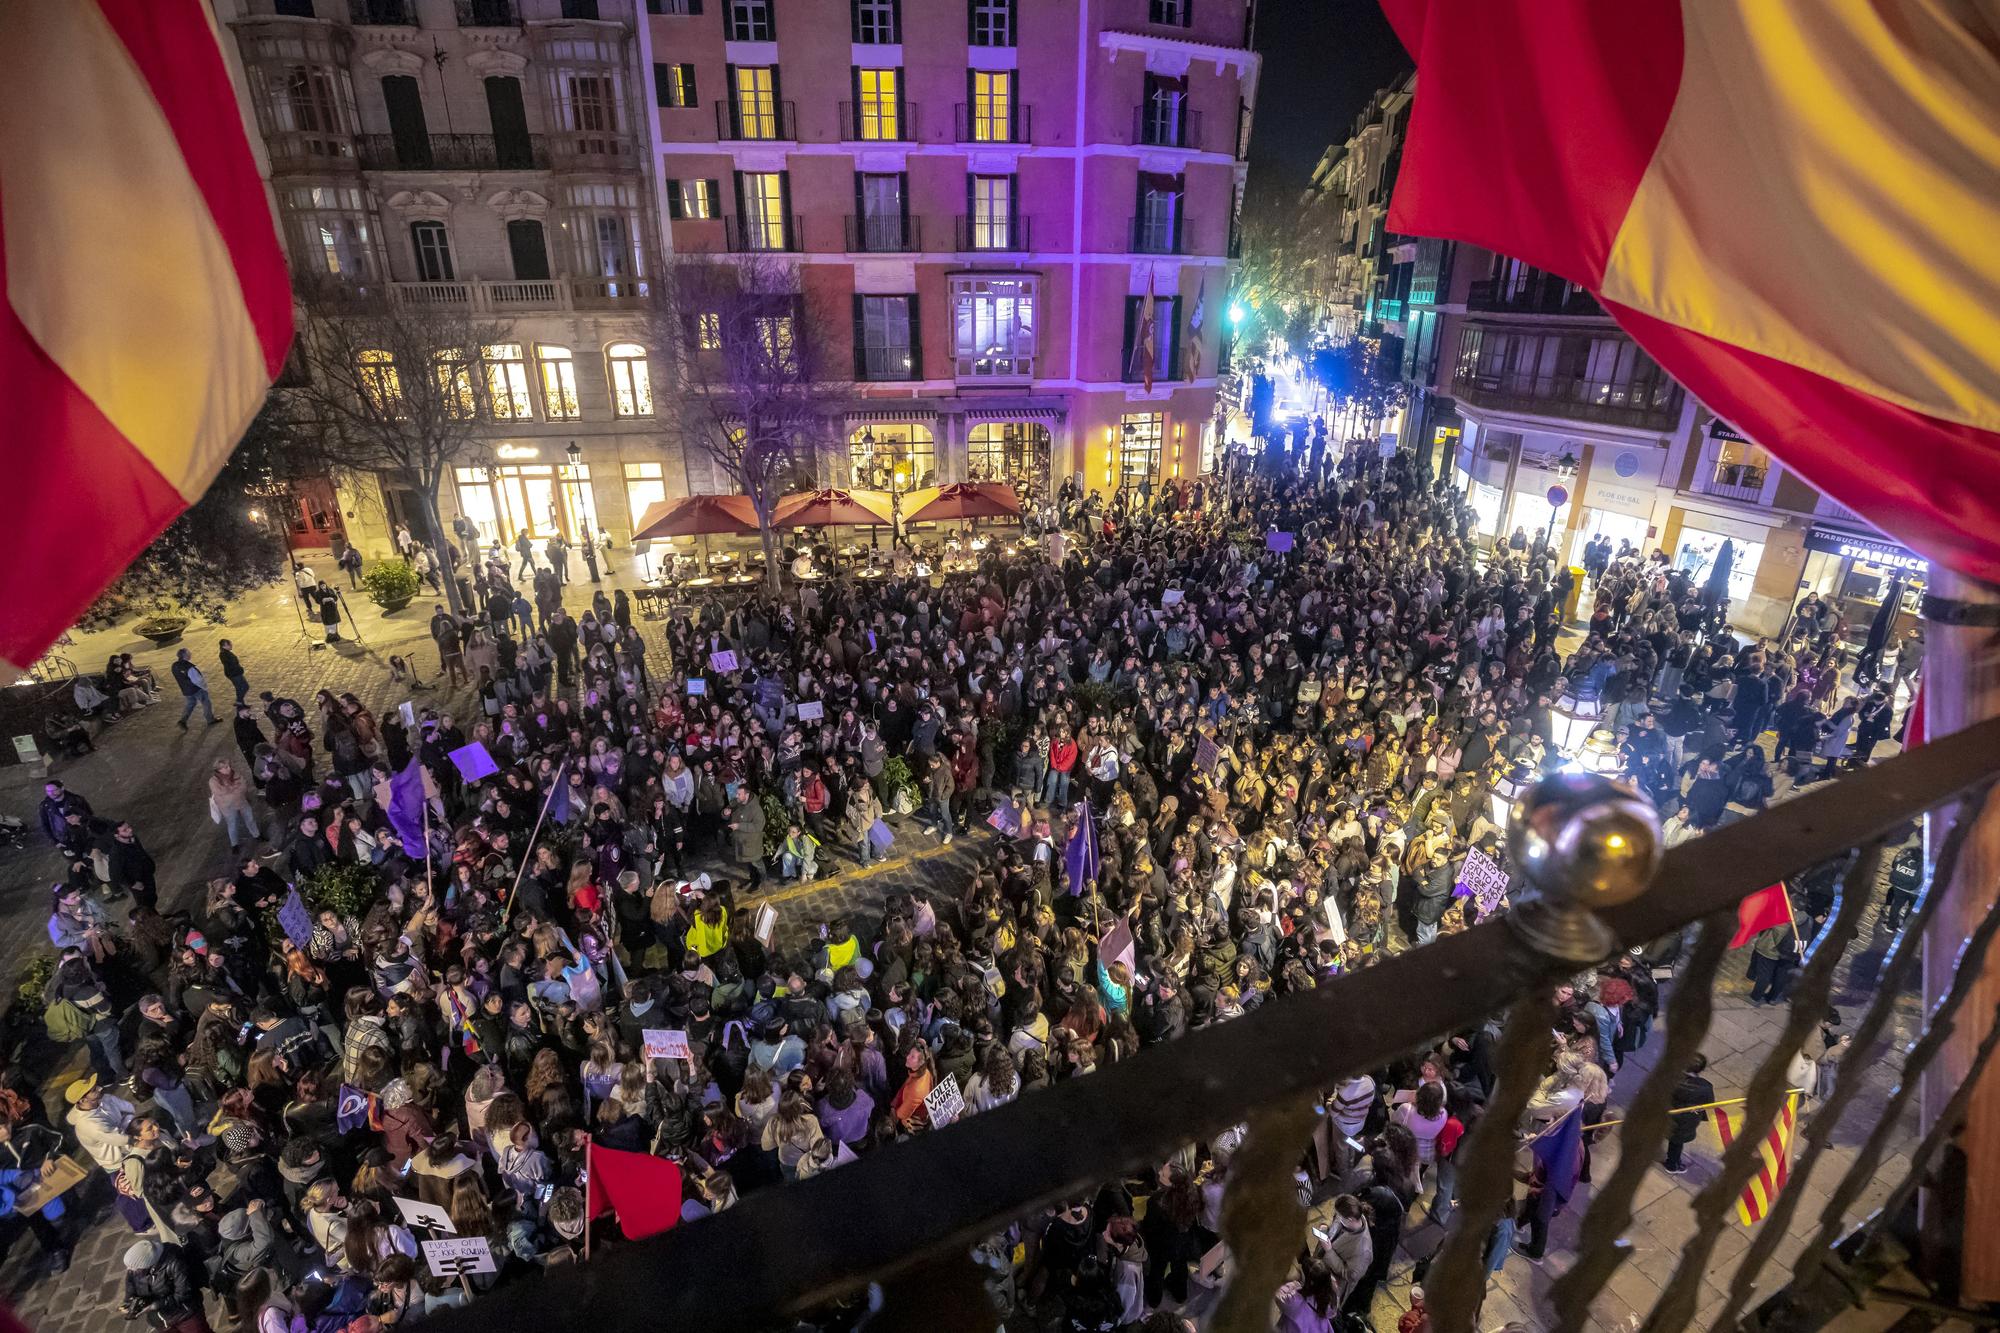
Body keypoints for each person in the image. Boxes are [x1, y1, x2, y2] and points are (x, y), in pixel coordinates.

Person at [1663, 1054, 1715, 1174]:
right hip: (1686, 1121)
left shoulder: (1671, 1079)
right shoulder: (1705, 1088)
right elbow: (1708, 1106)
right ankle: (1672, 1165)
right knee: (1676, 1143)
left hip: (1665, 1115)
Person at [170, 648, 218, 730]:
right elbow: (198, 680)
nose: (190, 654)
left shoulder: (174, 665)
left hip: (186, 690)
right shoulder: (189, 667)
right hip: (196, 689)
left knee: (190, 704)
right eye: (189, 653)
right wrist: (204, 687)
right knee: (206, 703)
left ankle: (183, 721)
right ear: (185, 656)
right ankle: (210, 719)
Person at [217, 638, 250, 705]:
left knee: (241, 688)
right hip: (234, 674)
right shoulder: (225, 654)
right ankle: (239, 701)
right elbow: (233, 664)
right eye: (229, 644)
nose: (231, 645)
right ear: (224, 646)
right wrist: (240, 669)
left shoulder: (226, 653)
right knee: (242, 687)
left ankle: (241, 703)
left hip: (235, 673)